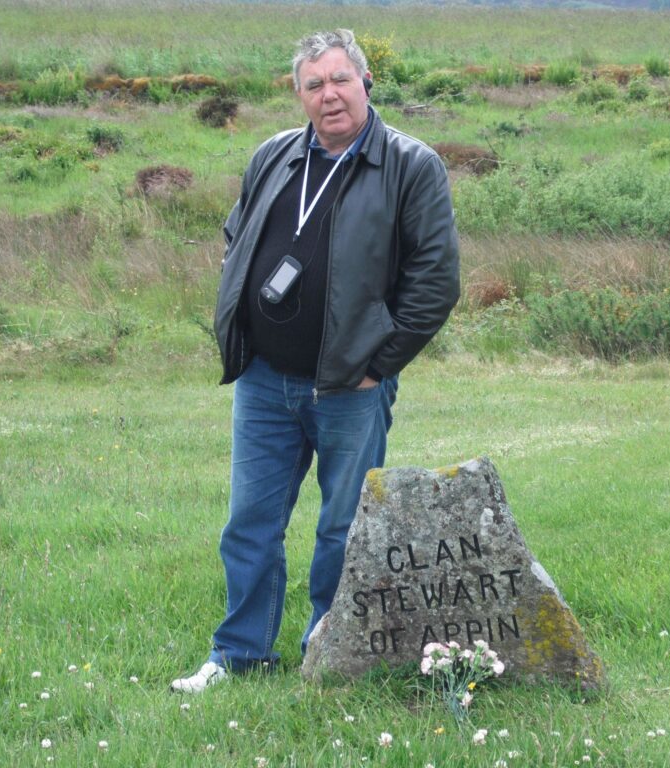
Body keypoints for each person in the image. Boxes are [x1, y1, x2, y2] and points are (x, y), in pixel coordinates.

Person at [171, 29, 459, 693]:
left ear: (364, 83)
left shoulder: (410, 166)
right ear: (299, 96)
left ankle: (329, 656)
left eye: (339, 79)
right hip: (265, 382)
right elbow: (236, 235)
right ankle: (237, 655)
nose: (328, 95)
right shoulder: (274, 155)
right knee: (249, 524)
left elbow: (435, 282)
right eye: (313, 84)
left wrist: (377, 364)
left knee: (342, 530)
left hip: (350, 390)